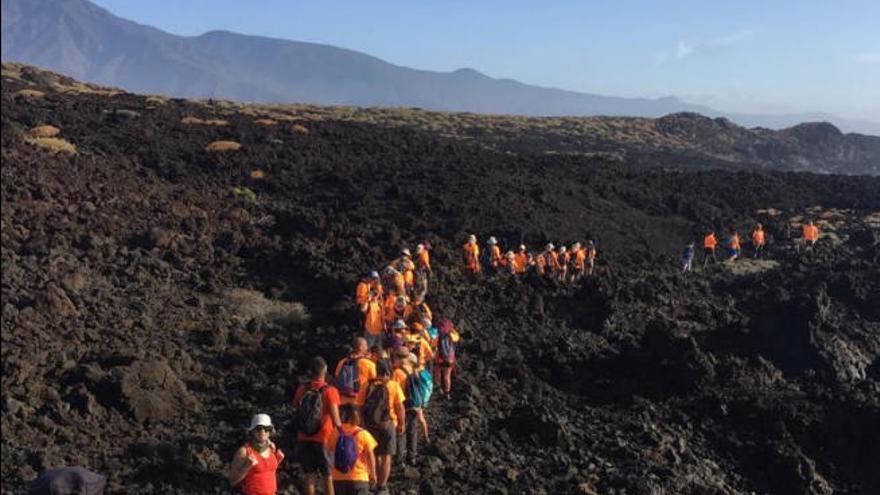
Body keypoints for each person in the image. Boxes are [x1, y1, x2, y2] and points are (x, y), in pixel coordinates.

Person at [292, 358, 342, 495]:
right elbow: (336, 419)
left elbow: (296, 408)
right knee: (328, 476)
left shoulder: (302, 389)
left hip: (304, 437)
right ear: (325, 371)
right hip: (324, 438)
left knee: (309, 475)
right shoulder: (330, 391)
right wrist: (344, 435)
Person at [357, 361, 405, 495]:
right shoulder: (393, 385)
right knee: (386, 456)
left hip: (370, 425)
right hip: (387, 424)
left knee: (375, 455)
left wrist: (362, 424)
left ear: (376, 371)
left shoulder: (366, 385)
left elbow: (359, 407)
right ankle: (382, 486)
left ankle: (374, 481)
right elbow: (400, 408)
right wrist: (401, 424)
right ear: (388, 372)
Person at [324, 404, 378, 495]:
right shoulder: (363, 434)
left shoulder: (334, 432)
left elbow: (328, 453)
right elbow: (370, 456)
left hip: (337, 478)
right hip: (359, 478)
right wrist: (373, 474)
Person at [227, 414, 285, 495]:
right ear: (252, 431)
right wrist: (246, 466)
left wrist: (278, 460)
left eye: (266, 429)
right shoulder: (244, 452)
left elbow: (267, 471)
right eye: (258, 429)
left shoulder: (272, 448)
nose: (262, 432)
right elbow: (232, 481)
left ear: (270, 432)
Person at [334, 337, 377, 406]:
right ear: (360, 347)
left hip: (343, 400)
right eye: (365, 345)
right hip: (359, 402)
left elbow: (336, 377)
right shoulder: (369, 364)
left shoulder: (342, 362)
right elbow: (375, 382)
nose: (367, 347)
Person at [434, 320, 461, 399]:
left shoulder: (437, 335)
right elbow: (457, 337)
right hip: (449, 358)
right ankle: (447, 393)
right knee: (447, 376)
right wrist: (452, 329)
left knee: (437, 371)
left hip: (439, 357)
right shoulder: (452, 335)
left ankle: (438, 388)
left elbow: (434, 345)